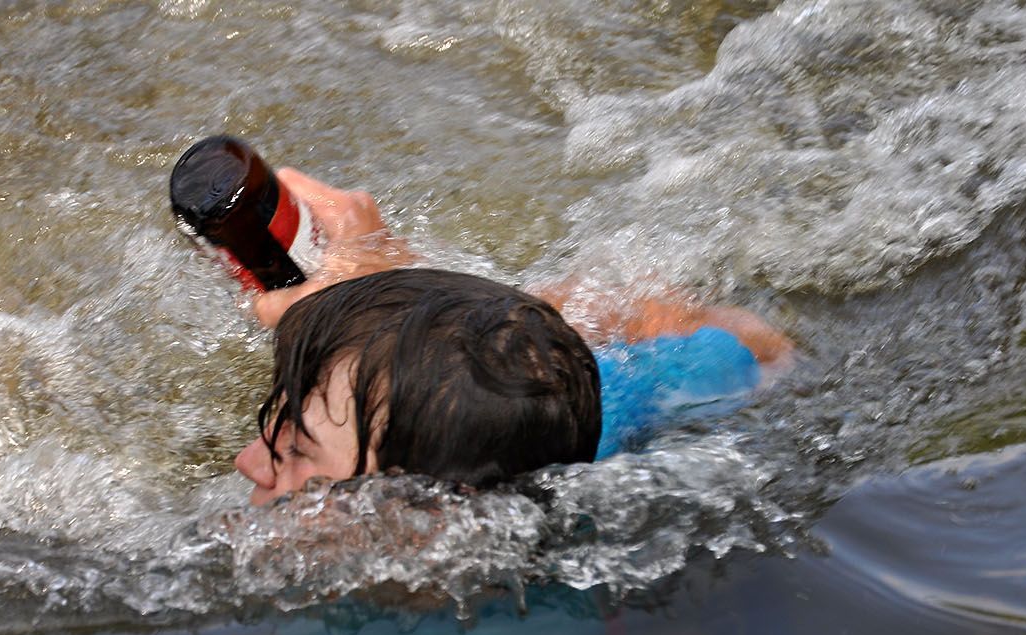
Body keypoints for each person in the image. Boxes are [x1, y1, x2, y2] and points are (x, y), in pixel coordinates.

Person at [234, 169, 792, 507]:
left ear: (434, 513)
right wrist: (426, 315)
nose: (247, 462)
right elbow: (756, 343)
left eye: (296, 450)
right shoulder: (587, 405)